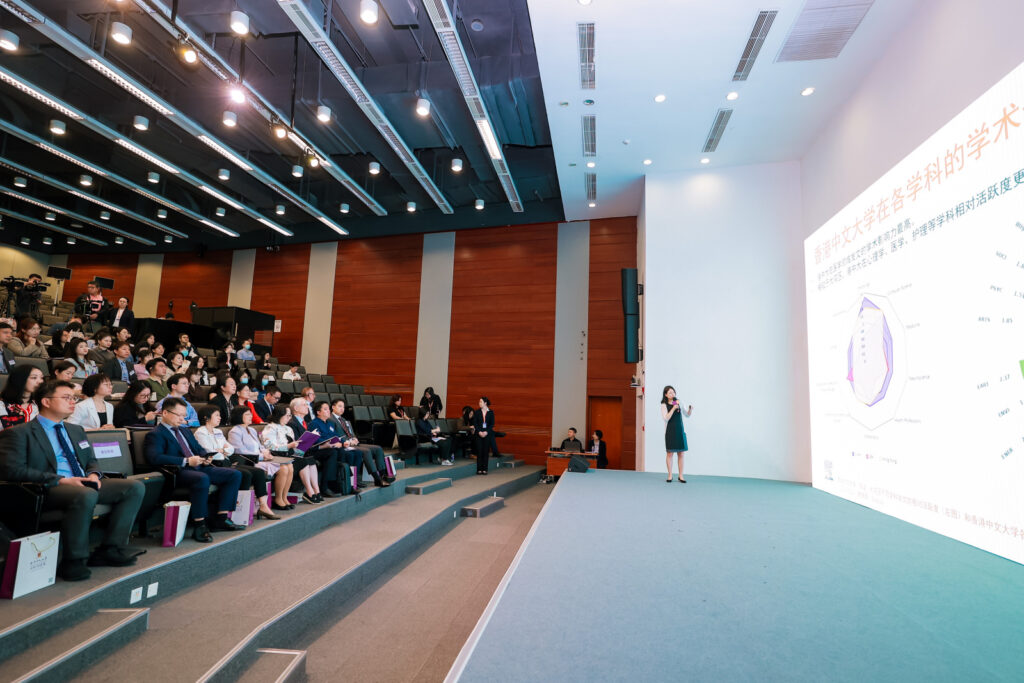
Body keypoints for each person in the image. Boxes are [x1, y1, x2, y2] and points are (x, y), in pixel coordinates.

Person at [0, 380, 144, 580]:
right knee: (84, 495)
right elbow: (11, 471)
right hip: (48, 487)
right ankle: (74, 560)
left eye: (74, 398)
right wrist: (60, 480)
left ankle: (110, 549)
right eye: (66, 398)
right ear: (46, 402)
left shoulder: (75, 430)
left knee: (134, 487)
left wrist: (93, 473)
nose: (72, 402)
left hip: (82, 482)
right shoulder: (19, 433)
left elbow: (90, 459)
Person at [143, 397, 244, 543]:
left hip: (199, 466)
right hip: (178, 471)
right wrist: (185, 461)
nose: (182, 419)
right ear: (164, 413)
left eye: (184, 415)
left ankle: (221, 518)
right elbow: (155, 458)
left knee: (234, 475)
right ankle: (200, 524)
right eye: (178, 415)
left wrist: (206, 457)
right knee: (201, 479)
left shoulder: (185, 431)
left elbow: (198, 449)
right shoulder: (155, 434)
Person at [227, 406, 292, 517]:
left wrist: (265, 452)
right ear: (239, 416)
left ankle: (282, 497)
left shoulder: (252, 430)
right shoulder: (235, 431)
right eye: (247, 414)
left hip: (261, 458)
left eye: (250, 414)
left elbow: (260, 445)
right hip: (250, 461)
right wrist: (262, 456)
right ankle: (276, 500)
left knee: (288, 465)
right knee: (283, 468)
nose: (251, 416)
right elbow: (240, 451)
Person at [261, 405, 321, 504]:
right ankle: (279, 498)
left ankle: (284, 497)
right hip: (275, 455)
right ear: (280, 415)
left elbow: (293, 446)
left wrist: (303, 445)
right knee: (287, 466)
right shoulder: (270, 427)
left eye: (290, 416)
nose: (289, 418)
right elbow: (269, 446)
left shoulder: (288, 429)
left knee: (303, 461)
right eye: (287, 415)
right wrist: (288, 446)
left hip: (288, 455)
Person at [330, 398, 390, 485]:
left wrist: (354, 438)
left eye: (343, 407)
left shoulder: (343, 419)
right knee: (366, 451)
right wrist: (349, 442)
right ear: (333, 407)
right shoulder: (330, 420)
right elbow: (334, 436)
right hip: (345, 445)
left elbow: (351, 432)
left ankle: (383, 475)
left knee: (378, 448)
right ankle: (376, 478)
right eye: (339, 406)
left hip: (354, 443)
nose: (342, 408)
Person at [288, 397, 340, 498]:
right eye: (304, 405)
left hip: (309, 451)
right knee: (331, 452)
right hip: (301, 453)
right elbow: (299, 444)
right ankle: (320, 488)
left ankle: (325, 487)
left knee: (338, 451)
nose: (307, 406)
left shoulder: (305, 423)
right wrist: (320, 446)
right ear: (296, 408)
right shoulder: (292, 423)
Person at [310, 400, 361, 489]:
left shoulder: (329, 423)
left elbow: (336, 436)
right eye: (325, 409)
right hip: (320, 449)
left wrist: (342, 442)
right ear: (318, 412)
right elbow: (317, 439)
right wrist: (333, 443)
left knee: (354, 453)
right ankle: (329, 484)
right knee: (336, 452)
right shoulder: (314, 423)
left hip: (333, 447)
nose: (328, 411)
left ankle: (350, 482)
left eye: (328, 409)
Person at [661, 385, 693, 483]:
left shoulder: (678, 402)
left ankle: (681, 476)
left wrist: (690, 410)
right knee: (670, 453)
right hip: (670, 431)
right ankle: (670, 475)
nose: (673, 394)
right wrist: (674, 408)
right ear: (666, 395)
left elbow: (686, 415)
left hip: (679, 431)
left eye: (673, 392)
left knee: (681, 453)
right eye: (670, 392)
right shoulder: (664, 405)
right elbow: (666, 418)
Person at [0, 364, 44, 430]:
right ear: (20, 379)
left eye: (41, 378)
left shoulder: (41, 403)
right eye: (34, 378)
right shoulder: (2, 405)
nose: (40, 381)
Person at [473, 396, 495, 475]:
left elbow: (492, 424)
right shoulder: (477, 412)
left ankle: (485, 469)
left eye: (481, 402)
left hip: (487, 434)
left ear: (485, 403)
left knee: (486, 451)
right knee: (479, 451)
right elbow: (475, 423)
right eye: (479, 402)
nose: (479, 403)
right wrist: (479, 432)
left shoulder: (491, 412)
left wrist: (486, 432)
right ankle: (479, 469)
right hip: (479, 434)